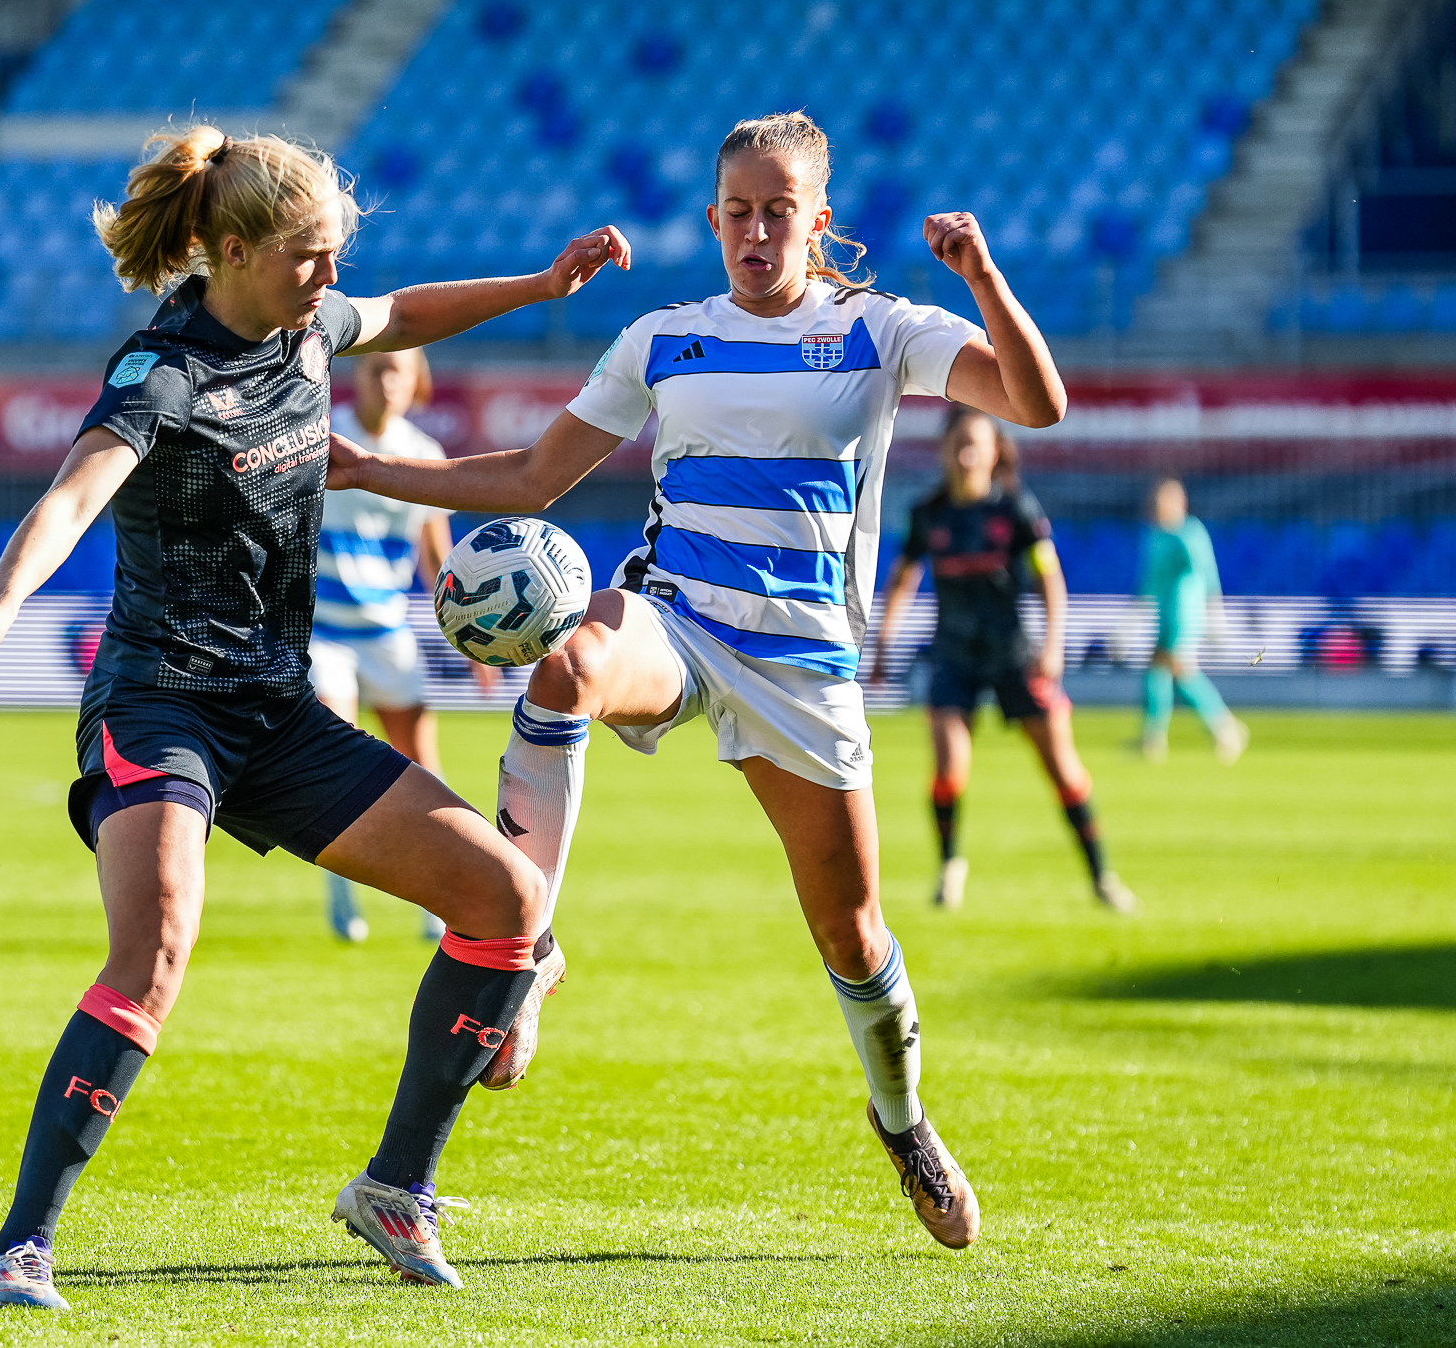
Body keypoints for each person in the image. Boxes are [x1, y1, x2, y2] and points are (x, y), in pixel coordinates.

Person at [329, 110, 1076, 1252]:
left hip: (803, 671)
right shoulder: (661, 339)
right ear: (714, 220)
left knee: (852, 936)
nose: (756, 231)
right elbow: (534, 476)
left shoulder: (882, 330)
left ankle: (903, 1122)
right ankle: (524, 951)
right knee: (569, 660)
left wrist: (980, 278)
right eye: (737, 212)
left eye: (779, 211)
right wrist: (369, 468)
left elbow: (1035, 405)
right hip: (674, 620)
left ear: (817, 221)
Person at [0, 126, 630, 1308]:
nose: (330, 281)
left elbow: (400, 312)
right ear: (231, 250)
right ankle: (20, 1249)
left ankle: (396, 1189)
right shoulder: (161, 372)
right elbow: (76, 489)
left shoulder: (306, 324)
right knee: (152, 958)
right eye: (308, 258)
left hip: (276, 712)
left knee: (504, 898)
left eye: (336, 254)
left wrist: (540, 288)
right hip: (161, 705)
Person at [873, 408, 1136, 914]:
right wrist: (884, 645)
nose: (966, 452)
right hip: (953, 656)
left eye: (976, 442)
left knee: (1063, 769)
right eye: (958, 442)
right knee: (949, 770)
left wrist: (1053, 645)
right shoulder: (929, 514)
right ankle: (950, 867)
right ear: (944, 450)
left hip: (1015, 656)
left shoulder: (1015, 510)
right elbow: (903, 580)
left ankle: (1102, 876)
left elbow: (1050, 579)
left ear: (996, 452)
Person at [315, 347, 498, 943]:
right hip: (323, 635)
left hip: (389, 633)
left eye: (400, 371)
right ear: (357, 376)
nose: (388, 381)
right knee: (337, 762)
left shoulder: (424, 453)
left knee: (426, 771)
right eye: (377, 369)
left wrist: (470, 638)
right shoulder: (321, 438)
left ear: (416, 382)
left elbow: (436, 554)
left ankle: (438, 905)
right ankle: (342, 898)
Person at [1139, 477, 1247, 764]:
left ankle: (1223, 728)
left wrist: (1215, 612)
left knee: (1178, 669)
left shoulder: (1189, 534)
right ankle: (1154, 736)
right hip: (1164, 613)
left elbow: (1206, 574)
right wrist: (1136, 613)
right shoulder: (1157, 536)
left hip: (1185, 612)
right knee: (1162, 671)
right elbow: (1150, 579)